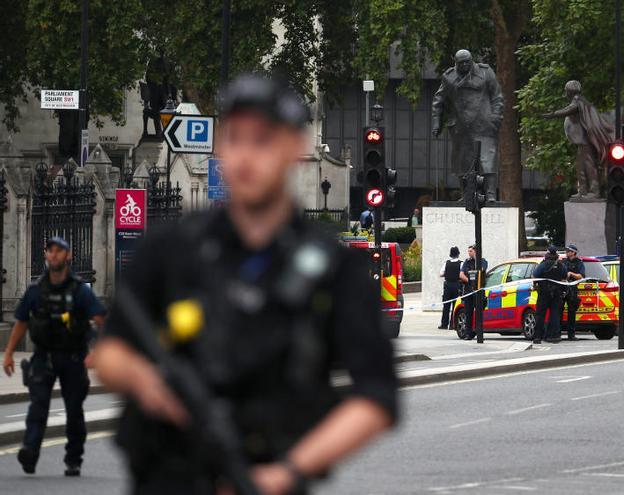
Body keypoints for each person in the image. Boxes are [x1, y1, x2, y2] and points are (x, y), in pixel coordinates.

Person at [92, 74, 398, 495]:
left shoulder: (334, 270)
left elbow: (378, 398)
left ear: (295, 148)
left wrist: (289, 471)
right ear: (220, 146)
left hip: (268, 475)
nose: (246, 157)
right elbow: (109, 352)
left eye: (263, 140)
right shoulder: (170, 249)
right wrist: (144, 380)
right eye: (235, 139)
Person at [2, 237, 107, 476]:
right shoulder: (35, 291)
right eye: (50, 250)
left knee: (73, 410)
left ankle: (73, 459)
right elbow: (21, 321)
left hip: (73, 358)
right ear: (46, 255)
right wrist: (8, 353)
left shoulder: (80, 291)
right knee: (38, 406)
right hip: (43, 357)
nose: (54, 255)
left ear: (68, 255)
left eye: (59, 251)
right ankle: (29, 451)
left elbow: (102, 321)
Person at [431, 49, 504, 201]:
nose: (464, 65)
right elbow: (438, 101)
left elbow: (497, 96)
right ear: (455, 63)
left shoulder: (485, 72)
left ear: (472, 60)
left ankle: (490, 194)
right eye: (461, 62)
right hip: (461, 127)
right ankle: (466, 194)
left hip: (484, 123)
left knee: (487, 159)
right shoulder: (449, 77)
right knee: (462, 162)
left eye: (467, 61)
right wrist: (436, 123)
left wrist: (496, 117)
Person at [532, 245, 567, 344]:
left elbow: (535, 276)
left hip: (544, 293)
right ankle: (554, 336)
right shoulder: (561, 265)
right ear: (556, 253)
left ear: (547, 253)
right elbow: (564, 279)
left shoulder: (543, 265)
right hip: (557, 294)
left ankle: (538, 337)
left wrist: (535, 286)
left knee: (540, 315)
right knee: (555, 315)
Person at [458, 245, 488, 339]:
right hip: (468, 291)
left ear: (475, 251)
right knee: (468, 312)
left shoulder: (482, 261)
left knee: (479, 312)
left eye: (470, 251)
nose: (469, 253)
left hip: (478, 291)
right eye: (468, 251)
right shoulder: (467, 262)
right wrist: (470, 281)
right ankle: (468, 333)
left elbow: (482, 271)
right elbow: (461, 274)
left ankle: (479, 332)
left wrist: (475, 282)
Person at [562, 244, 586, 340]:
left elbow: (581, 276)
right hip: (563, 288)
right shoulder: (563, 262)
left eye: (568, 251)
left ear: (573, 252)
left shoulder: (579, 263)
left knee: (571, 313)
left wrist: (571, 274)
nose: (566, 253)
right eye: (566, 251)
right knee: (559, 311)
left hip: (572, 290)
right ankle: (556, 333)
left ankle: (571, 335)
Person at [439, 246, 462, 329]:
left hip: (447, 285)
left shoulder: (446, 263)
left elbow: (441, 274)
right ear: (458, 254)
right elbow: (462, 274)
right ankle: (453, 325)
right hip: (457, 285)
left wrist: (448, 273)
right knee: (455, 305)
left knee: (446, 306)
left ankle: (444, 324)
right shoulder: (461, 263)